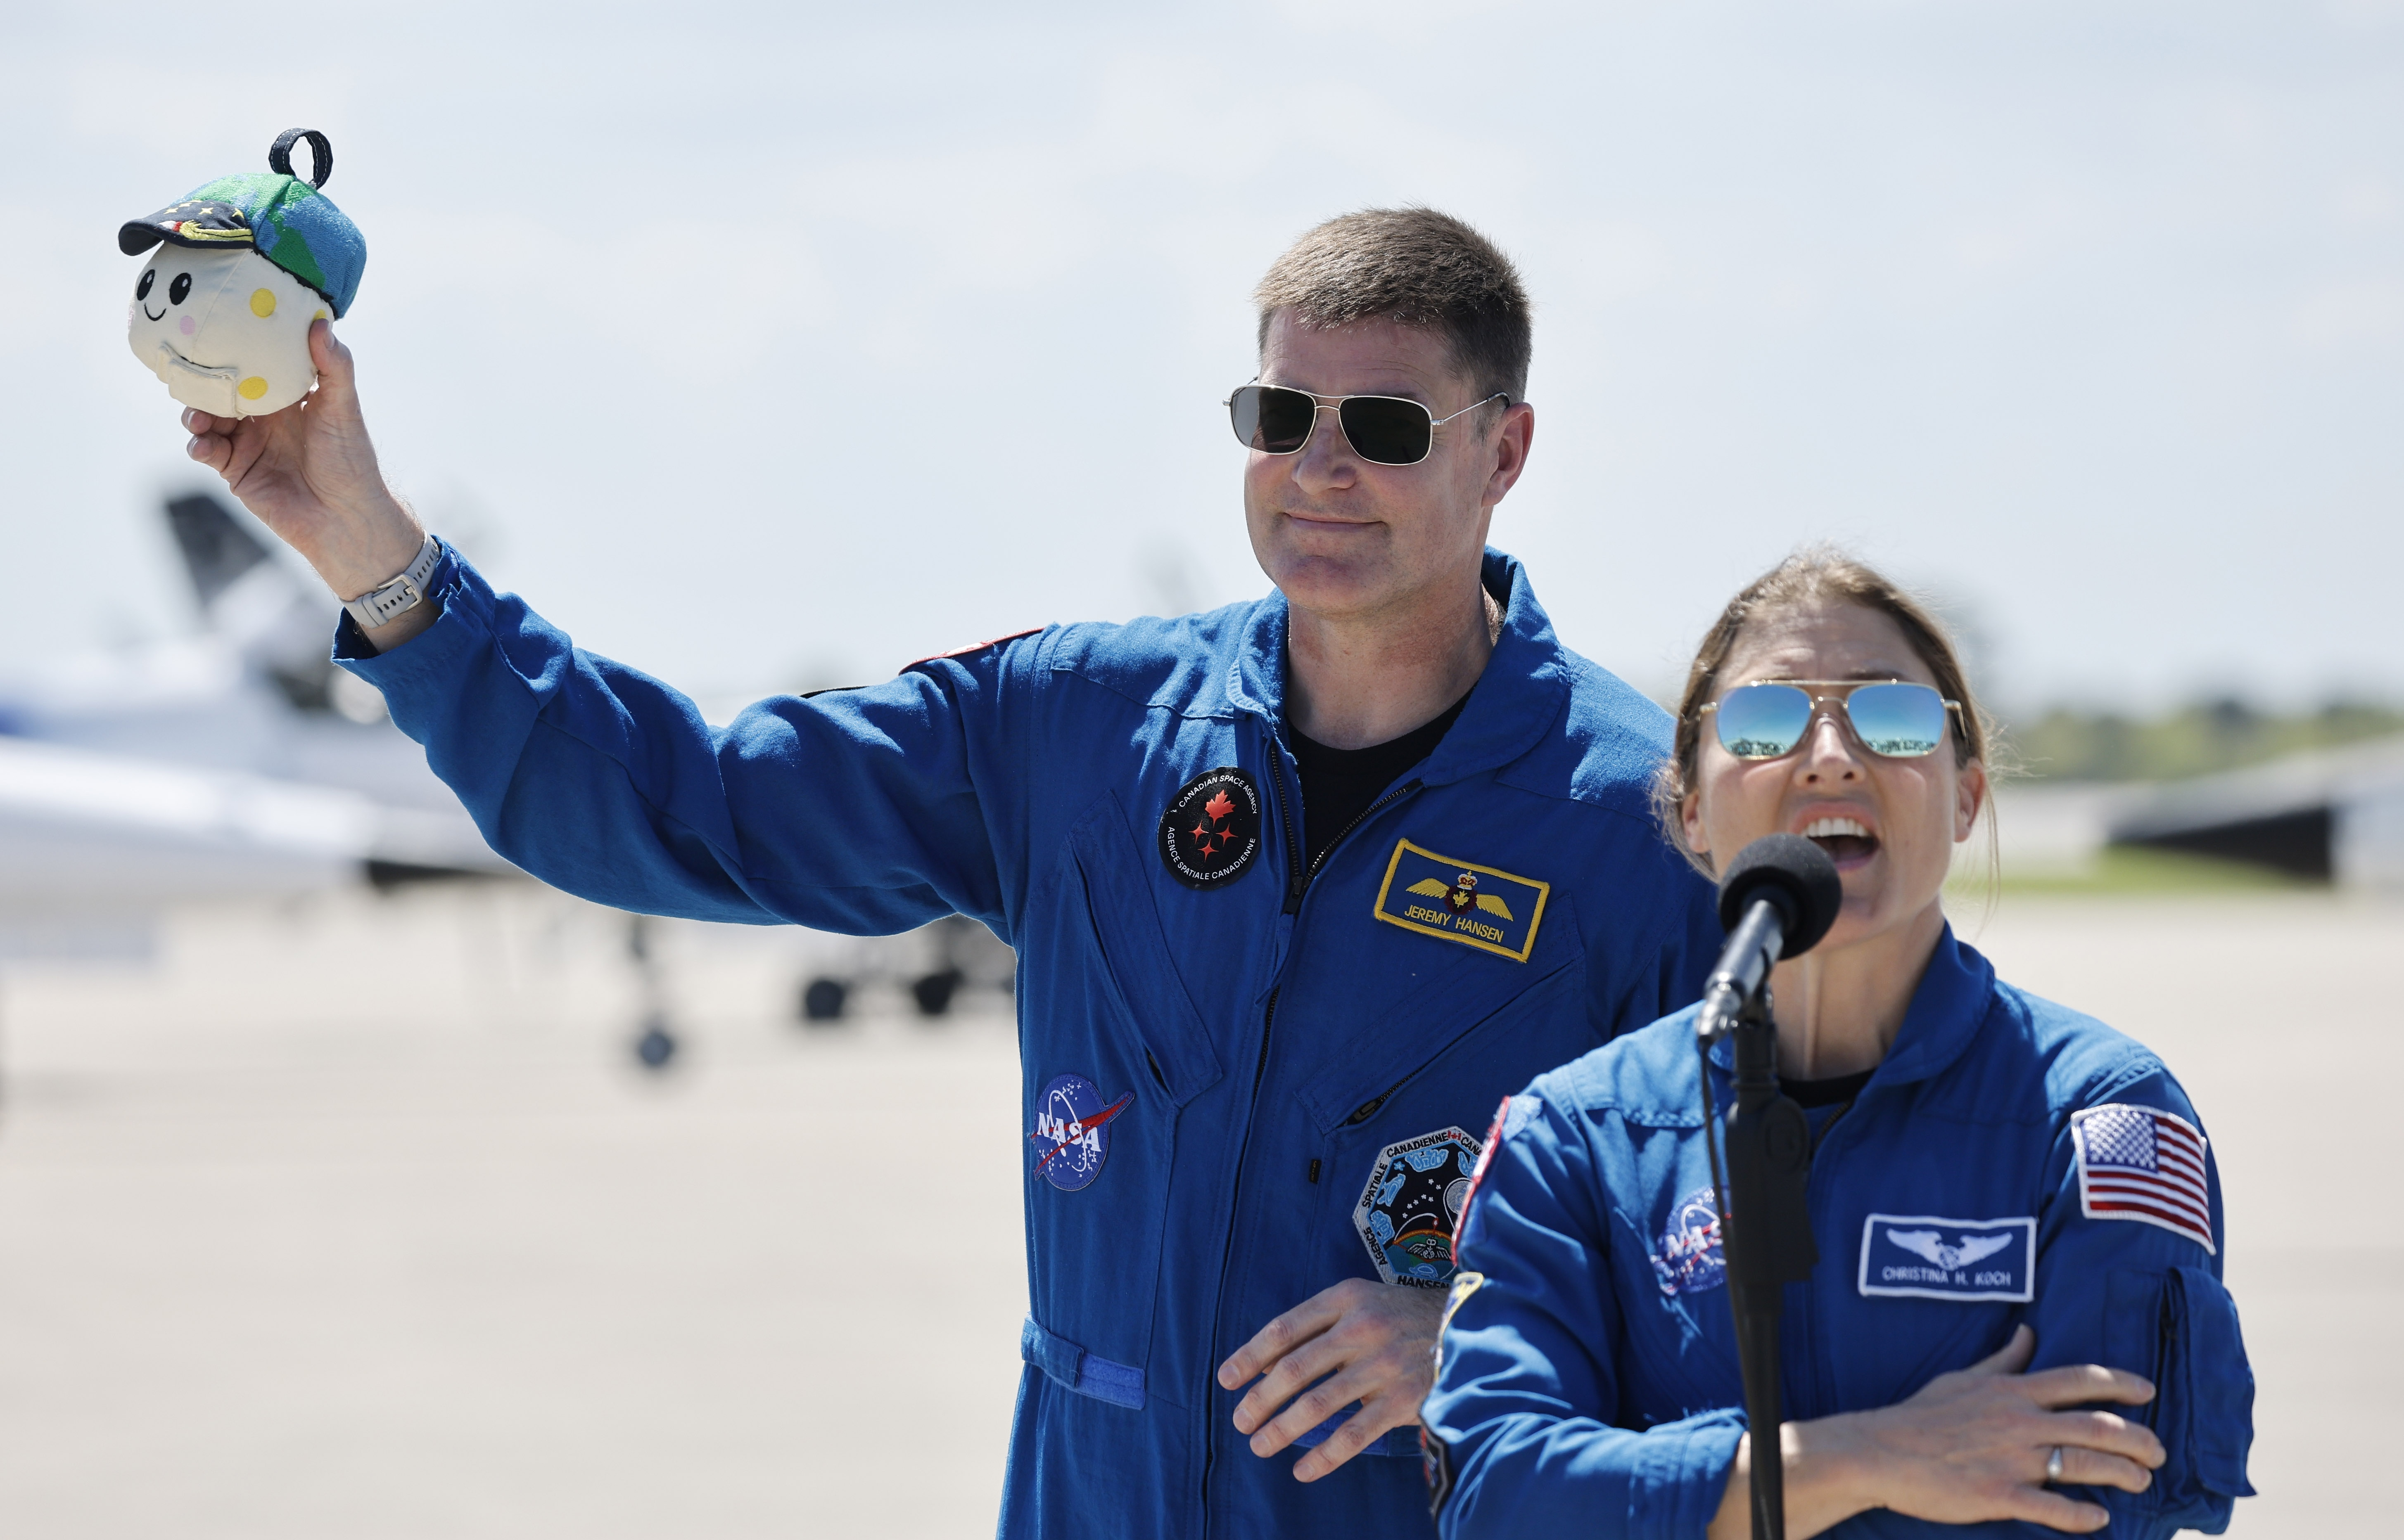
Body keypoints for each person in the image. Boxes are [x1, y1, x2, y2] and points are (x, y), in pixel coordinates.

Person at [178, 207, 1723, 1540]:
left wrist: (1487, 1338)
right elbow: (676, 804)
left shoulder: (1640, 823)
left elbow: (1790, 1263)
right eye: (1276, 418)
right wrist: (369, 548)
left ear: (1504, 451)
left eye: (1382, 429)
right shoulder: (1076, 734)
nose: (1316, 471)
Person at [1421, 550, 2256, 1539]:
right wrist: (1880, 1455)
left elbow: (2098, 1497)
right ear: (1690, 807)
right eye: (1766, 721)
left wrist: (1661, 1490)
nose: (1830, 754)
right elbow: (1498, 1495)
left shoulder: (2099, 1114)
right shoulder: (1575, 1136)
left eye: (1892, 718)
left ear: (1965, 796)